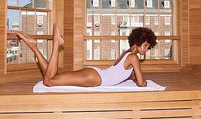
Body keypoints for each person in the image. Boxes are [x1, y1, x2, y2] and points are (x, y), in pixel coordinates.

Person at [16, 24, 157, 87]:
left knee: (52, 77)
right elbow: (141, 83)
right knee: (49, 81)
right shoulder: (134, 57)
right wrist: (144, 83)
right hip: (96, 78)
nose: (146, 49)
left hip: (95, 74)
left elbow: (127, 75)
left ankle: (33, 47)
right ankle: (56, 45)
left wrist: (134, 77)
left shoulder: (126, 54)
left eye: (148, 47)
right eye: (145, 45)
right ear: (137, 42)